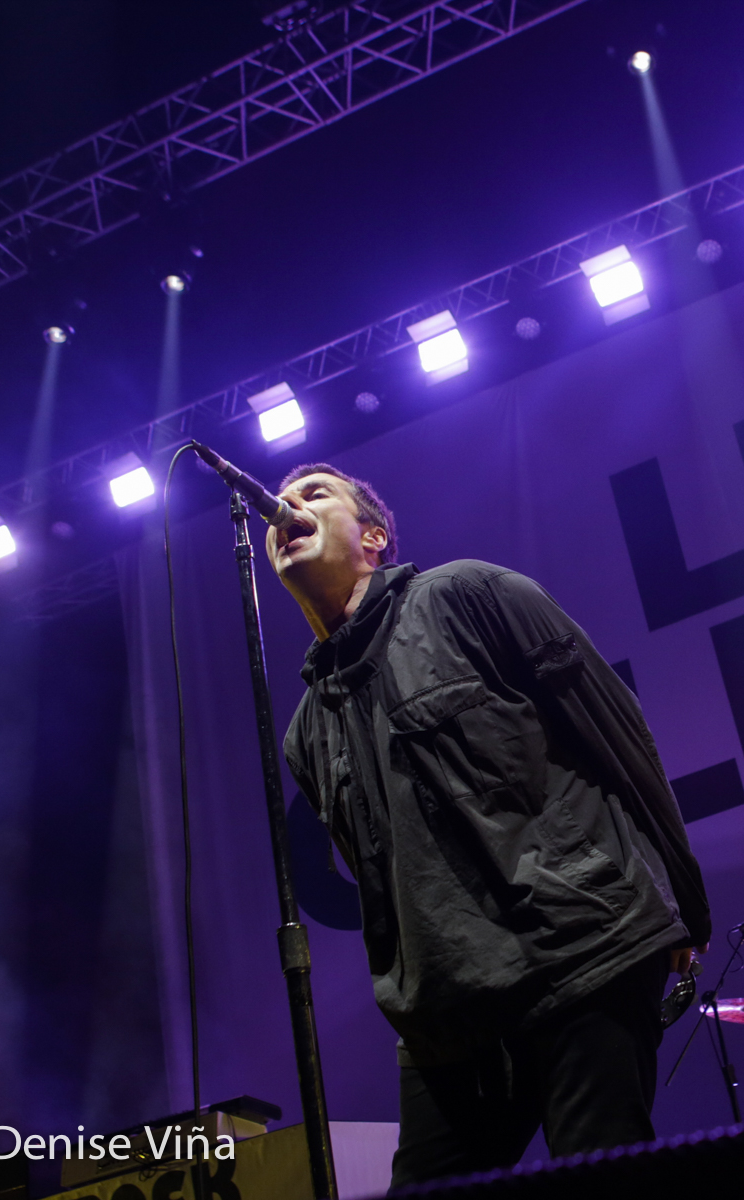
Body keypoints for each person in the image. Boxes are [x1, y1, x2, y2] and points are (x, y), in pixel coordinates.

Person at [266, 463, 710, 1187]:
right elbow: (381, 886)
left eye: (315, 493)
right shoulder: (305, 732)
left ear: (373, 537)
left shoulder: (468, 594)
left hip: (580, 954)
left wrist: (684, 901)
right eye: (280, 503)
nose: (286, 507)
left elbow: (614, 727)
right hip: (447, 1019)